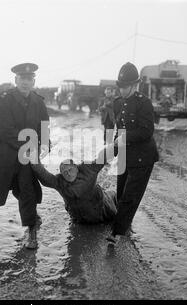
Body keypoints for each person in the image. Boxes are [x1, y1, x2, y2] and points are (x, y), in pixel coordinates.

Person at [0, 63, 50, 250]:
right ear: (16, 80)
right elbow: (6, 130)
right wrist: (29, 145)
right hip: (7, 151)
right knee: (12, 187)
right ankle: (31, 213)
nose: (25, 83)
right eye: (22, 79)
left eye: (29, 79)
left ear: (33, 81)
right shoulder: (4, 99)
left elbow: (44, 124)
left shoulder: (38, 101)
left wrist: (45, 143)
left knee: (26, 188)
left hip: (27, 154)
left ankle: (31, 231)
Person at [106, 62, 159, 245]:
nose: (122, 90)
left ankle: (116, 233)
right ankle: (125, 225)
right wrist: (110, 151)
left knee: (130, 196)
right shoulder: (117, 103)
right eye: (120, 87)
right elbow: (118, 130)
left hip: (143, 157)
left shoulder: (144, 103)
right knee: (121, 194)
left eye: (126, 87)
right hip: (125, 155)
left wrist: (124, 138)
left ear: (135, 85)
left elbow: (147, 131)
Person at [27, 144, 117, 225]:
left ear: (76, 168)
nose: (68, 174)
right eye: (65, 172)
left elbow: (103, 157)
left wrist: (116, 145)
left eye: (70, 170)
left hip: (104, 210)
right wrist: (34, 160)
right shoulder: (59, 182)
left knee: (115, 196)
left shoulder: (88, 169)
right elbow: (44, 176)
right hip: (80, 219)